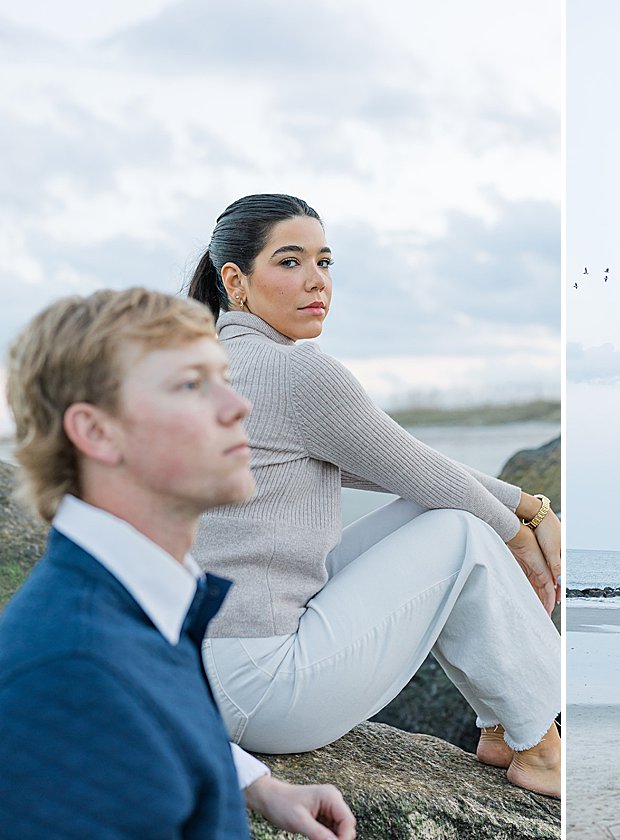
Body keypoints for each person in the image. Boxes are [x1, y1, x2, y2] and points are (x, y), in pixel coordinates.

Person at [186, 194, 561, 798]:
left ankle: (501, 723)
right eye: (290, 262)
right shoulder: (299, 373)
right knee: (461, 530)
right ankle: (540, 746)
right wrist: (523, 528)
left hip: (203, 676)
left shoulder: (212, 366)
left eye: (325, 262)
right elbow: (418, 468)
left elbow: (402, 469)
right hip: (261, 687)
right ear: (236, 281)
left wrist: (524, 506)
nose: (317, 282)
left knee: (434, 511)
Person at [0, 289, 355, 838]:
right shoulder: (73, 669)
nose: (238, 406)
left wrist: (253, 783)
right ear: (96, 432)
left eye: (224, 376)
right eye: (191, 385)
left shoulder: (134, 600)